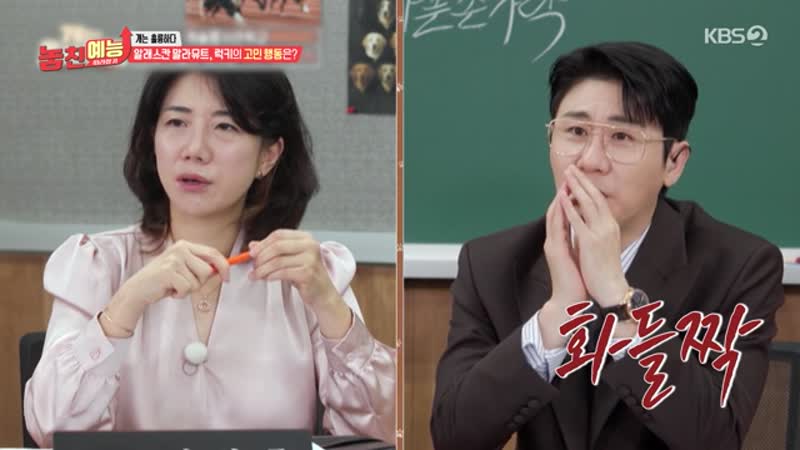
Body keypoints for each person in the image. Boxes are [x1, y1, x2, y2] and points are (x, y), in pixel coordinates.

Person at [430, 42, 784, 450]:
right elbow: (454, 437)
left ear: (674, 163)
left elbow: (716, 439)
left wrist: (619, 300)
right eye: (576, 132)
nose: (590, 161)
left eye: (622, 136)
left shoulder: (739, 266)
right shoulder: (492, 263)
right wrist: (556, 316)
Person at [24, 70, 396, 448]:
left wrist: (329, 305)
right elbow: (51, 432)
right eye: (177, 122)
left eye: (225, 127)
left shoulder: (309, 273)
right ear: (152, 139)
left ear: (268, 156)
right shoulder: (99, 264)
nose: (195, 149)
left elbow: (380, 431)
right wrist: (124, 307)